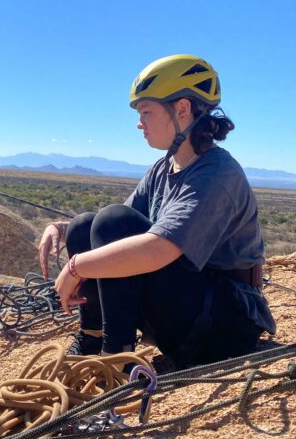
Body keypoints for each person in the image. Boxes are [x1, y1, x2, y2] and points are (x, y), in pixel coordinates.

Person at [39, 54, 276, 368]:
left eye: (146, 111)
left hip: (226, 323)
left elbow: (157, 249)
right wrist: (63, 228)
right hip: (190, 308)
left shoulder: (218, 172)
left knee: (110, 225)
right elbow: (110, 231)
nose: (139, 123)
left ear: (181, 109)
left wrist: (75, 268)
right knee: (86, 226)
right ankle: (92, 338)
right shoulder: (163, 168)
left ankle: (116, 361)